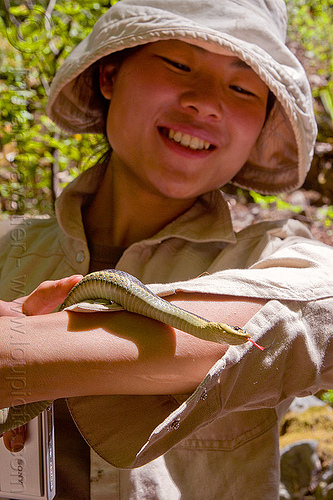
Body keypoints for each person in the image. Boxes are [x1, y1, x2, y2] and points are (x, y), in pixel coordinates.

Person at [1, 0, 333, 498]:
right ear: (110, 76)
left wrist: (24, 351)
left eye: (242, 88)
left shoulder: (271, 256)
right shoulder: (8, 247)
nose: (206, 102)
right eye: (179, 64)